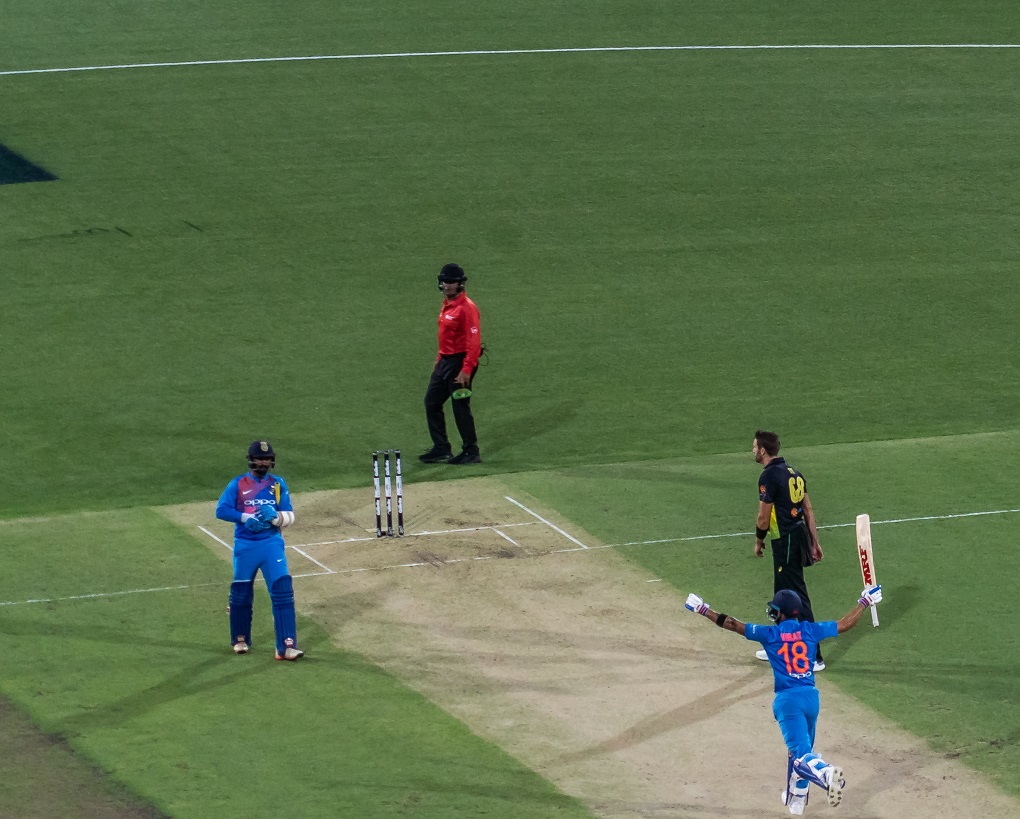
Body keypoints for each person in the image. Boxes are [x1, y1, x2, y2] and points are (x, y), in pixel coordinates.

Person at [684, 585, 883, 815]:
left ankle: (826, 773)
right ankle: (796, 799)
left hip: (788, 702)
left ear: (782, 613)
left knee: (802, 758)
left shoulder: (769, 634)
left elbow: (732, 624)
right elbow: (844, 624)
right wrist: (864, 602)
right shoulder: (810, 630)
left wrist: (702, 609)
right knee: (800, 750)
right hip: (811, 698)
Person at [215, 440, 303, 660]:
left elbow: (290, 515)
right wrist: (245, 517)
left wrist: (276, 518)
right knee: (241, 594)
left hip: (271, 544)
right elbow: (221, 510)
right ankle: (240, 639)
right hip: (245, 545)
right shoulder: (238, 484)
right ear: (251, 460)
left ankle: (286, 646)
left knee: (283, 591)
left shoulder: (278, 484)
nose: (263, 462)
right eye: (259, 458)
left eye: (267, 459)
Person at [752, 430, 826, 670]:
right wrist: (814, 541)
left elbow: (764, 517)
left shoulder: (769, 476)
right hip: (797, 536)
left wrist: (759, 539)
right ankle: (779, 645)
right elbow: (808, 509)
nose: (753, 451)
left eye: (754, 447)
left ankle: (814, 656)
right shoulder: (795, 472)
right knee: (782, 593)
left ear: (763, 450)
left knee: (796, 594)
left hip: (785, 540)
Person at [419, 263, 483, 465]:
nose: (447, 285)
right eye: (445, 281)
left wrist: (467, 369)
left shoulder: (467, 308)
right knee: (432, 402)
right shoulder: (448, 304)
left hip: (459, 363)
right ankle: (441, 448)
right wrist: (439, 359)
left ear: (460, 284)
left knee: (460, 407)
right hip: (445, 362)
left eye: (452, 282)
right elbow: (446, 336)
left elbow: (474, 342)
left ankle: (471, 451)